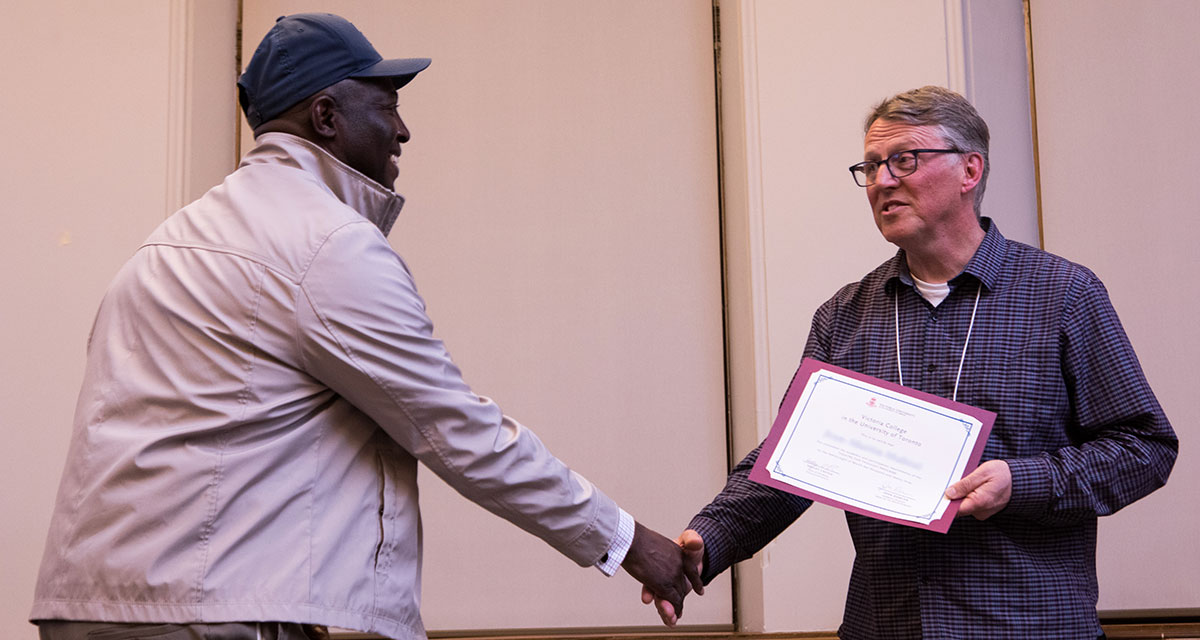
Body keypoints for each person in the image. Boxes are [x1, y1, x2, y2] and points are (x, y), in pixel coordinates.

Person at [30, 13, 698, 640]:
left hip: (89, 606)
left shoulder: (169, 244)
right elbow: (455, 429)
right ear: (326, 116)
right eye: (386, 106)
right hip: (211, 612)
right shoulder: (323, 244)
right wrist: (628, 541)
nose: (403, 131)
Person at [642, 86, 1178, 638]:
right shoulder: (844, 315)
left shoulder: (1063, 294)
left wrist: (1022, 481)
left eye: (904, 160)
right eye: (871, 167)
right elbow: (791, 462)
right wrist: (709, 539)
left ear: (970, 169)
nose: (882, 182)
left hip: (1026, 623)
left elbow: (1144, 448)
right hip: (886, 624)